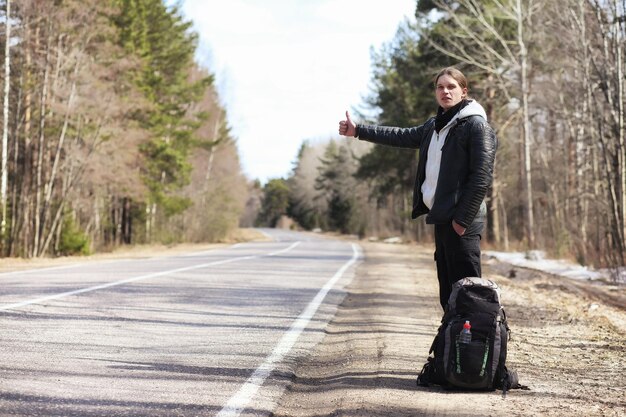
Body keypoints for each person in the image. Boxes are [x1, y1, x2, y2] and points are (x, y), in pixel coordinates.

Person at [338, 67, 497, 310]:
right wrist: (358, 130)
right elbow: (400, 136)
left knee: (469, 292)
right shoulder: (434, 126)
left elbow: (481, 178)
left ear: (463, 92)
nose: (445, 91)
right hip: (443, 218)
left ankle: (472, 346)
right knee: (448, 294)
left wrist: (461, 221)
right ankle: (450, 346)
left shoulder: (476, 126)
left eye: (451, 87)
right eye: (440, 87)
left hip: (462, 222)